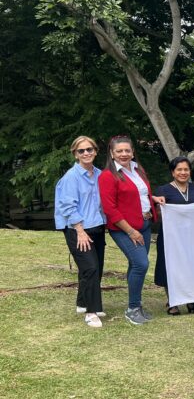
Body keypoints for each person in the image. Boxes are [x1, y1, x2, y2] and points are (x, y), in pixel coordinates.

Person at [99, 135, 165, 325]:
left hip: (144, 224)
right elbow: (109, 208)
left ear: (132, 151)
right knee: (141, 264)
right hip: (124, 228)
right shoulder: (107, 176)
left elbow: (139, 193)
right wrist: (130, 231)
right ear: (112, 153)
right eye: (119, 151)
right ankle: (132, 308)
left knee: (135, 265)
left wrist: (154, 199)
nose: (124, 154)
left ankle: (136, 305)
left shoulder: (138, 169)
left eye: (127, 150)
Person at [55, 136, 107, 328]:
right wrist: (80, 231)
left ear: (95, 151)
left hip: (97, 227)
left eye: (89, 149)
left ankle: (82, 302)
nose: (86, 153)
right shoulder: (71, 177)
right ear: (75, 154)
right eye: (81, 151)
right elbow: (68, 206)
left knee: (96, 267)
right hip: (77, 228)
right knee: (90, 267)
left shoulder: (100, 174)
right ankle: (91, 312)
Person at [154, 156, 194, 315]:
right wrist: (158, 206)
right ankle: (173, 301)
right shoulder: (163, 190)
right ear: (173, 172)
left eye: (186, 169)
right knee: (171, 267)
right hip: (171, 237)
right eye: (179, 170)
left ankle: (193, 301)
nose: (183, 172)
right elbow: (157, 213)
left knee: (192, 267)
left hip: (192, 236)